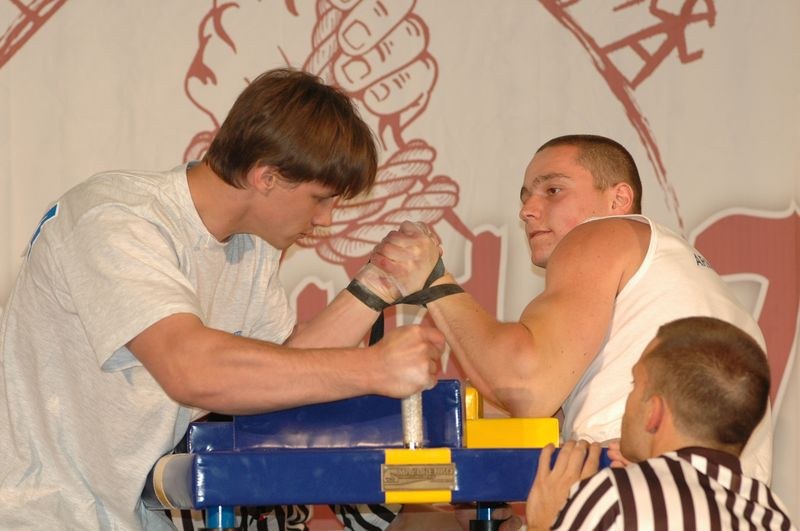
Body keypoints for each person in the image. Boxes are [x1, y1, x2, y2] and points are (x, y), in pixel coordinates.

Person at [0, 68, 448, 530]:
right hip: (41, 513)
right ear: (266, 176)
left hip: (129, 517)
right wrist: (374, 368)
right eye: (320, 199)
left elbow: (283, 372)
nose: (327, 220)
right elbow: (190, 368)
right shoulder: (116, 218)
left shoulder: (249, 247)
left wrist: (377, 285)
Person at [372, 134, 772, 485]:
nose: (527, 210)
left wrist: (434, 280)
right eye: (526, 196)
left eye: (552, 191)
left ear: (617, 199)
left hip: (638, 498)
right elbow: (511, 413)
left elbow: (524, 388)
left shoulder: (600, 235)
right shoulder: (681, 277)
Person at [520, 317, 794, 530]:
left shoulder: (615, 498)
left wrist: (545, 522)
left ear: (654, 412)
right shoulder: (773, 516)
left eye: (634, 384)